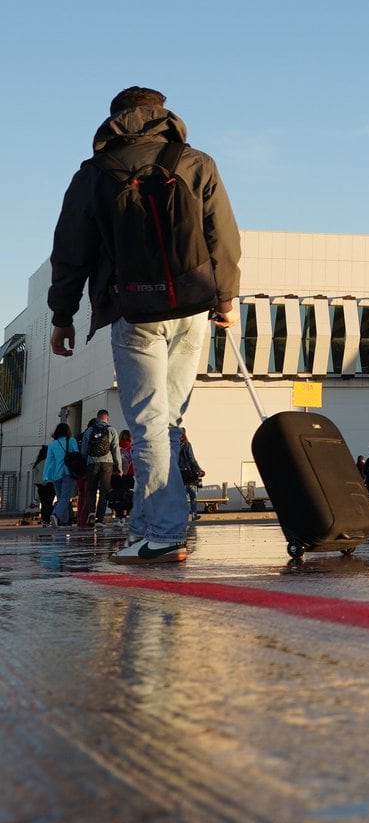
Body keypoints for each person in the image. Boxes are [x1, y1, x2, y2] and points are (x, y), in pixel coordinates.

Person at [47, 87, 241, 564]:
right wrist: (227, 299)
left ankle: (164, 531)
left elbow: (71, 251)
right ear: (163, 114)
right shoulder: (196, 162)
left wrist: (62, 316)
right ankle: (145, 527)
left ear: (115, 120)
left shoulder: (94, 173)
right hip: (193, 306)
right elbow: (223, 235)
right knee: (167, 424)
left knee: (149, 423)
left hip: (133, 309)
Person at [83, 409, 118, 524]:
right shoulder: (111, 430)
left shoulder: (89, 431)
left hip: (92, 462)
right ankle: (100, 518)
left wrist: (85, 463)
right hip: (107, 463)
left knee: (91, 490)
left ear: (97, 418)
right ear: (107, 419)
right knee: (104, 491)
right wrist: (119, 466)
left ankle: (91, 512)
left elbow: (84, 450)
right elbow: (115, 449)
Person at [40, 424, 76, 526]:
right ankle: (56, 515)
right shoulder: (72, 441)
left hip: (56, 474)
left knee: (60, 497)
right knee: (65, 497)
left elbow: (49, 461)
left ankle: (63, 522)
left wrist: (45, 476)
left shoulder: (52, 444)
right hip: (69, 472)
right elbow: (76, 455)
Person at [113, 429, 135, 518]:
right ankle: (129, 512)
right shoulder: (131, 448)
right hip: (129, 474)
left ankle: (119, 514)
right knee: (127, 493)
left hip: (118, 473)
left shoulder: (116, 447)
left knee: (118, 493)